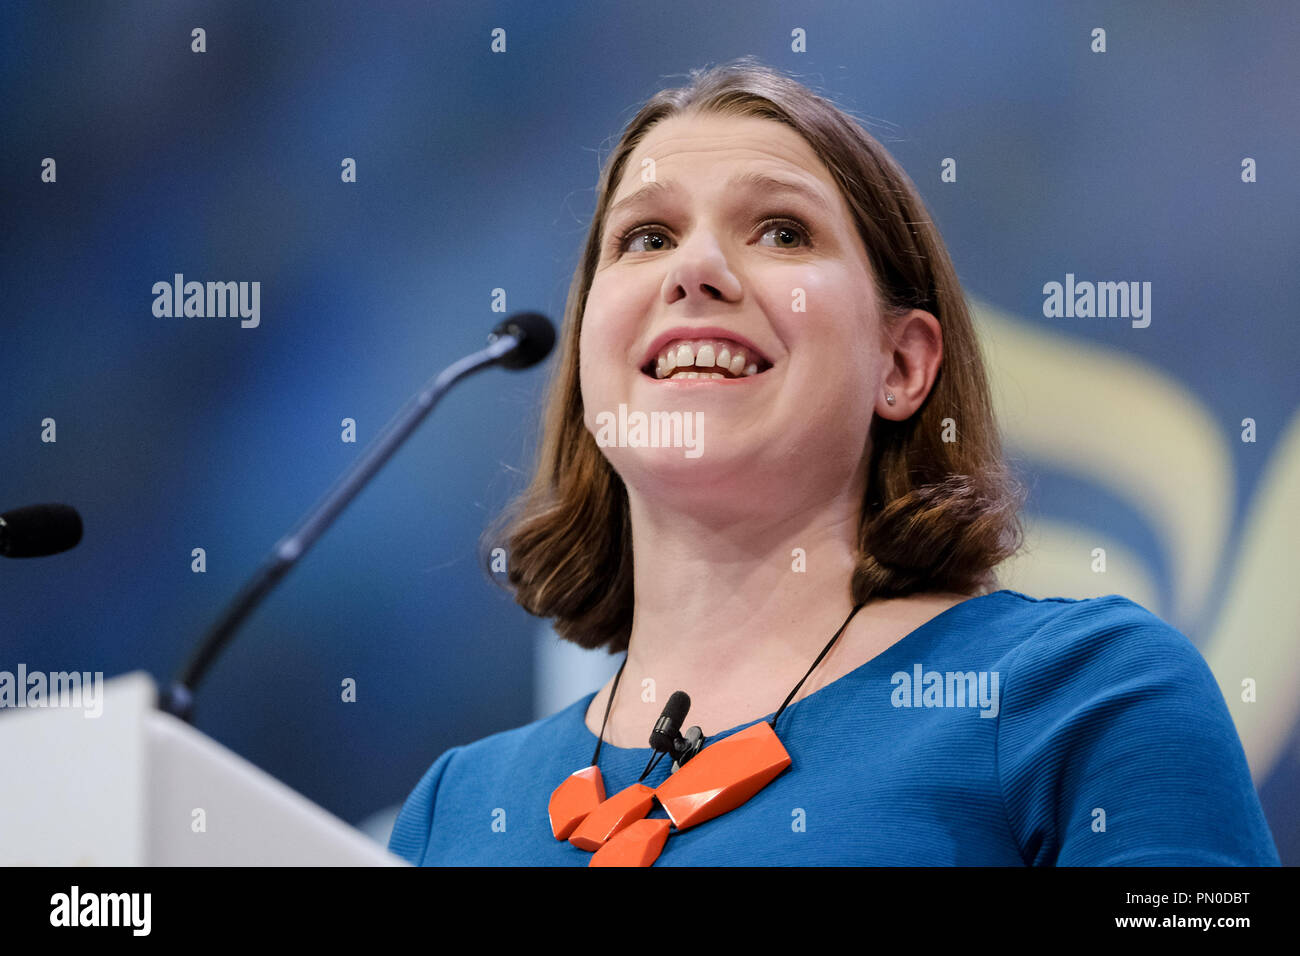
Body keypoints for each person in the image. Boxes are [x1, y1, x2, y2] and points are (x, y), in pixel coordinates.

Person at [388, 57, 1280, 866]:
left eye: (780, 232)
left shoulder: (1091, 694)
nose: (694, 269)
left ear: (901, 366)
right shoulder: (454, 811)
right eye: (646, 238)